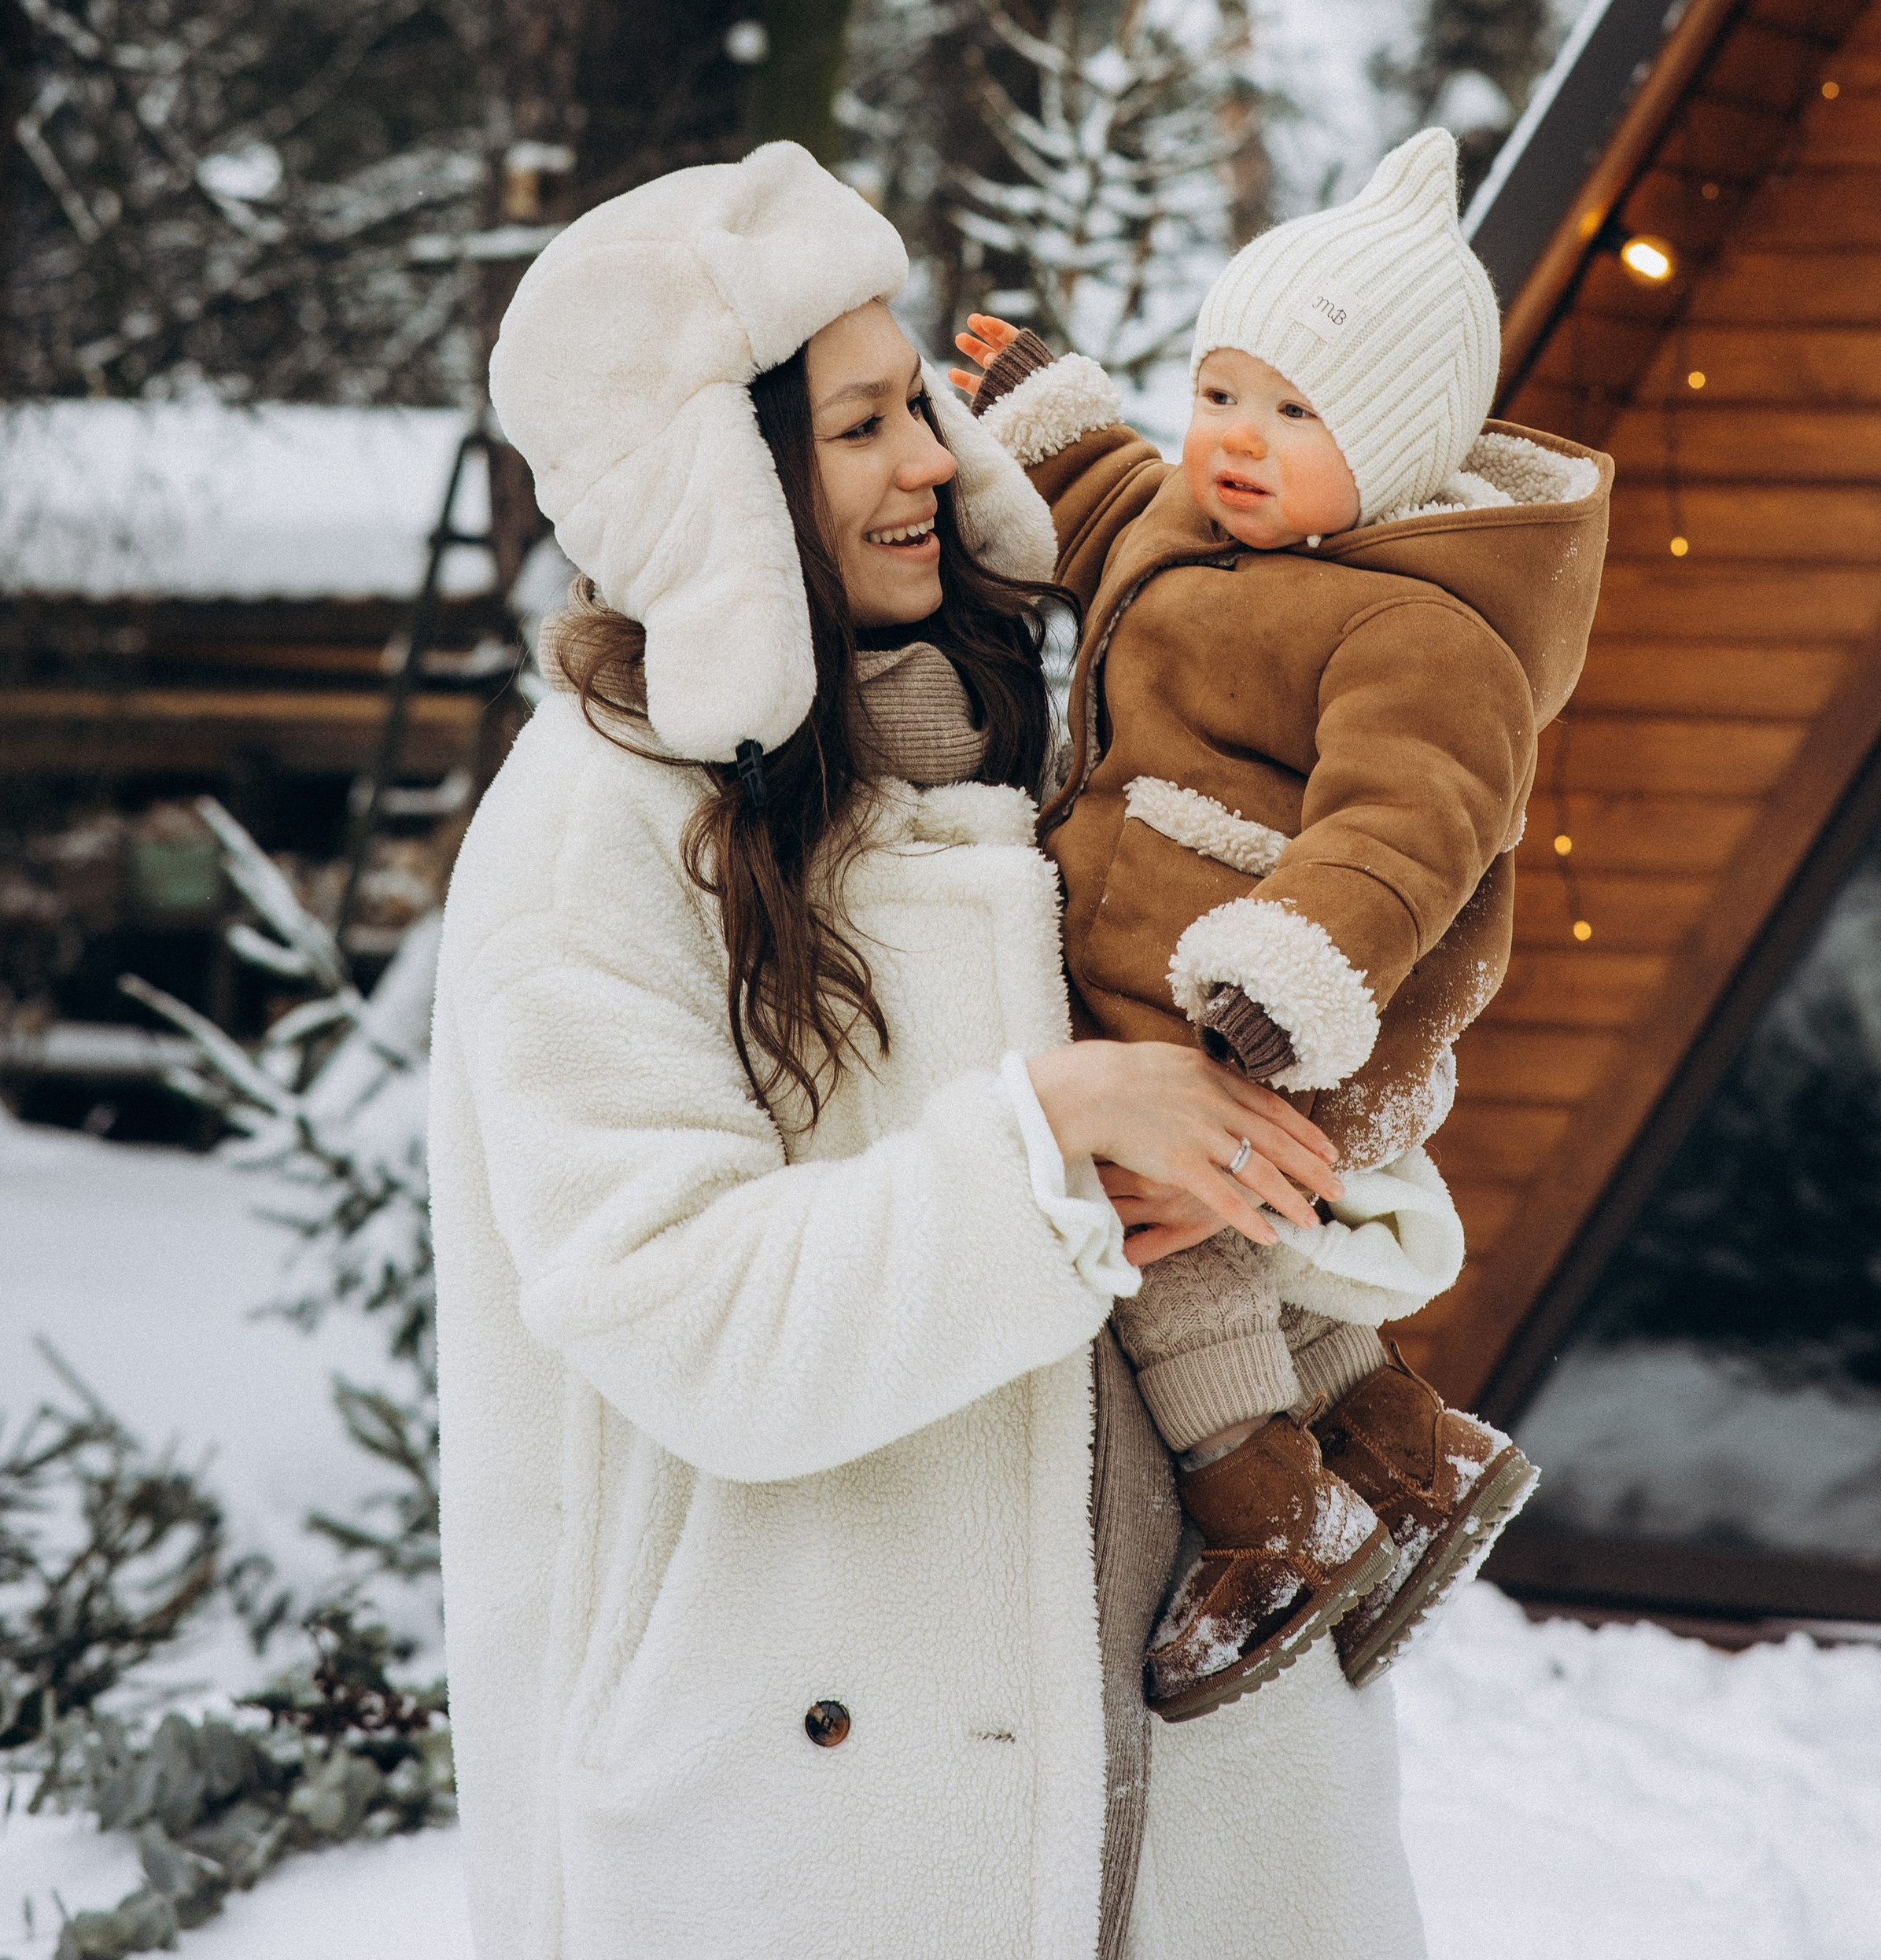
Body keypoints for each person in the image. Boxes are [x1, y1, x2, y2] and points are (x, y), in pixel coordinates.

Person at [430, 140, 1432, 1960]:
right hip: (823, 1821)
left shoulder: (1032, 734)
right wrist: (1047, 1145)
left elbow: (1249, 1103)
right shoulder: (598, 827)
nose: (929, 459)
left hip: (1202, 1777)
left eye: (923, 410)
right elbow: (683, 1313)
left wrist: (1315, 1142)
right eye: (861, 424)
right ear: (714, 480)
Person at [952, 128, 1611, 1718]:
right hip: (1153, 976)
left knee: (1173, 1257)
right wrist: (1049, 415)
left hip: (1275, 993)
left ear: (1388, 443)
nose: (1235, 442)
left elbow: (1408, 835)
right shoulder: (1199, 517)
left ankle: (1272, 1522)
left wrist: (1283, 975)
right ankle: (1406, 1454)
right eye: (1220, 393)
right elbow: (1113, 499)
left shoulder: (1419, 628)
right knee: (1244, 1253)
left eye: (1295, 414)